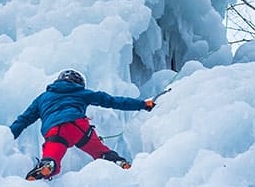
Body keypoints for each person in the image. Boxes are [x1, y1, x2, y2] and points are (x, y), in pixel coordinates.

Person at [10, 69, 155, 180]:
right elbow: (112, 101)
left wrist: (7, 137)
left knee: (52, 156)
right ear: (78, 83)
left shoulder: (42, 98)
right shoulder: (82, 93)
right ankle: (118, 162)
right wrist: (142, 104)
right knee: (101, 152)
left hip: (57, 131)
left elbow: (24, 120)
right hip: (80, 128)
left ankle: (47, 165)